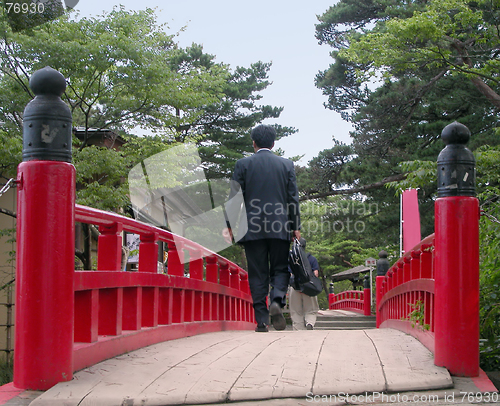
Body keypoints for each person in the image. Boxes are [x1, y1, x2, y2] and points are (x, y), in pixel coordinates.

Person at [224, 124, 301, 332]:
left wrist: (229, 225)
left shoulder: (243, 164)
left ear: (254, 143)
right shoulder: (286, 165)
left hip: (252, 228)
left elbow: (234, 198)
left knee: (257, 273)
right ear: (273, 143)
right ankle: (276, 300)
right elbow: (292, 198)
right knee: (279, 269)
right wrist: (296, 226)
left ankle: (261, 321)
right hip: (280, 226)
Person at [289, 238, 320, 330]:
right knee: (311, 309)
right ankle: (309, 323)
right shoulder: (311, 258)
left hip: (295, 287)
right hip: (309, 287)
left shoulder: (292, 258)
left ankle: (298, 328)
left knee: (295, 311)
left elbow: (290, 274)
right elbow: (316, 273)